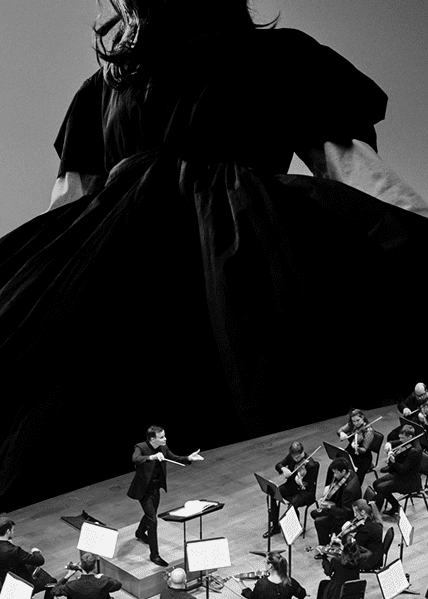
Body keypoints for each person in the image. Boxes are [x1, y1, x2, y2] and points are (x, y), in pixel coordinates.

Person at [2, 0, 428, 510]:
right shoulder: (104, 87)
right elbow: (69, 205)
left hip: (239, 256)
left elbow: (353, 170)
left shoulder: (280, 57)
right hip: (125, 265)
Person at [127, 425, 204, 567]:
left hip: (155, 488)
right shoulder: (141, 447)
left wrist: (189, 458)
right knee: (152, 521)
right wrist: (152, 457)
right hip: (143, 490)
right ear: (152, 439)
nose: (165, 439)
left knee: (150, 514)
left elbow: (174, 457)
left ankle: (140, 532)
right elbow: (135, 459)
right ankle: (154, 555)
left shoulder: (163, 447)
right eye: (162, 437)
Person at [263, 442, 318, 538]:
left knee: (292, 504)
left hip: (305, 492)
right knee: (273, 493)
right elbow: (278, 465)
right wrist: (283, 469)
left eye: (298, 457)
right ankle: (275, 526)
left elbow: (307, 486)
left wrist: (300, 479)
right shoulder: (291, 457)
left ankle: (295, 528)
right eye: (294, 457)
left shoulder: (311, 465)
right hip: (291, 487)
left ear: (302, 452)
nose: (296, 459)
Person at [311, 458, 361, 557]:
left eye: (336, 473)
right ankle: (332, 535)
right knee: (314, 513)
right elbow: (338, 487)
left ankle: (325, 549)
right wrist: (329, 488)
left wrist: (329, 507)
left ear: (343, 471)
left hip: (347, 516)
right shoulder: (350, 473)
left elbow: (346, 512)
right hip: (340, 505)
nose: (334, 475)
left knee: (319, 521)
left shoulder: (349, 489)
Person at [373, 424, 423, 517]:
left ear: (410, 437)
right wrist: (389, 444)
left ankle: (376, 513)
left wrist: (393, 462)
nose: (400, 440)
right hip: (400, 475)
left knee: (380, 487)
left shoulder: (414, 451)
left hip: (409, 480)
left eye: (402, 438)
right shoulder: (409, 440)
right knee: (376, 483)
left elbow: (403, 469)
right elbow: (396, 442)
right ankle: (395, 506)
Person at [0, 517, 46, 591]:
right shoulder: (13, 550)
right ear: (8, 531)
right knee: (52, 581)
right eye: (13, 530)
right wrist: (35, 552)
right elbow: (40, 561)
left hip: (2, 582)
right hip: (17, 583)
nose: (13, 532)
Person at [52, 552, 121, 599]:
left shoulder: (71, 585)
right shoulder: (103, 581)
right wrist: (103, 577)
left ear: (80, 565)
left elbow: (54, 591)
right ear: (94, 566)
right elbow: (118, 585)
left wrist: (67, 576)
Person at [241, 551, 306, 599]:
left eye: (265, 562)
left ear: (270, 566)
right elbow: (302, 594)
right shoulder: (290, 582)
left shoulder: (262, 584)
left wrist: (240, 583)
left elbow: (253, 597)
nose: (264, 563)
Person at [316, 534, 364, 599]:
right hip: (353, 590)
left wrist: (324, 558)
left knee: (323, 585)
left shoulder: (336, 560)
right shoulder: (359, 558)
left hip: (337, 592)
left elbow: (328, 572)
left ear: (343, 546)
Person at [337, 409, 374, 485]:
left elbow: (364, 449)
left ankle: (354, 488)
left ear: (362, 417)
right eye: (353, 421)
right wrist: (341, 433)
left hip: (363, 457)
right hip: (351, 451)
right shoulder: (352, 425)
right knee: (338, 461)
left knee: (356, 477)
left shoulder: (369, 431)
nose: (356, 423)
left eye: (358, 420)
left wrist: (356, 448)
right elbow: (340, 430)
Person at [349, 499, 383, 570]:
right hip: (375, 556)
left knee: (341, 560)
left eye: (355, 512)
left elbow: (355, 546)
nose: (355, 515)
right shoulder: (375, 522)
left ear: (363, 512)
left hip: (368, 561)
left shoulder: (367, 528)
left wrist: (341, 542)